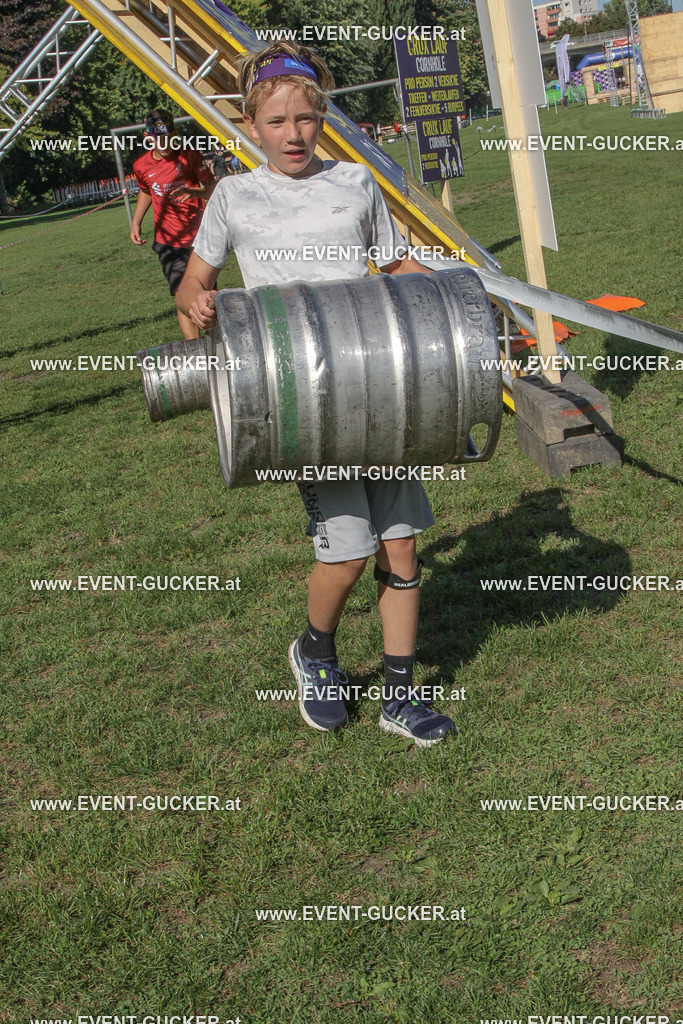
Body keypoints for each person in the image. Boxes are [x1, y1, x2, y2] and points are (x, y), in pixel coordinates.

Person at [176, 42, 456, 748]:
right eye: (276, 122)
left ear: (323, 117)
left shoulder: (356, 184)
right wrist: (197, 304)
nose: (293, 134)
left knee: (400, 545)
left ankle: (399, 696)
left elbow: (396, 264)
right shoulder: (234, 196)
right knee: (347, 551)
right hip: (302, 402)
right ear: (249, 124)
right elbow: (192, 286)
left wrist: (461, 303)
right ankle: (317, 655)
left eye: (305, 118)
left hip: (379, 386)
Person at [131, 109, 215, 340]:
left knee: (206, 295)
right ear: (149, 137)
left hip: (199, 239)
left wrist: (192, 190)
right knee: (182, 294)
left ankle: (217, 344)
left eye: (168, 135)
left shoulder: (189, 156)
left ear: (175, 132)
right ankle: (195, 349)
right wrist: (136, 222)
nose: (164, 141)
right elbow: (146, 190)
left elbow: (213, 188)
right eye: (158, 137)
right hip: (169, 243)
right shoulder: (141, 166)